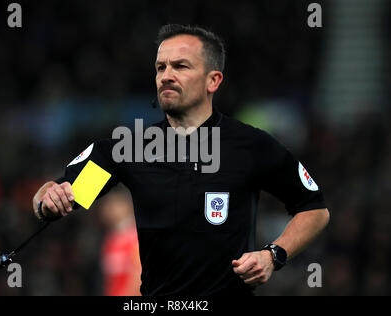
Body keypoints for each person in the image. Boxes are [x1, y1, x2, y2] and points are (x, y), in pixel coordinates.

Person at [32, 24, 330, 296]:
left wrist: (273, 255)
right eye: (160, 67)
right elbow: (57, 198)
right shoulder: (131, 148)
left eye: (180, 66)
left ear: (213, 80)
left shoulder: (249, 145)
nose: (166, 75)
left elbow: (314, 208)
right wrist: (49, 199)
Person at [96, 186, 141, 296]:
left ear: (128, 205)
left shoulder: (135, 238)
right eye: (106, 204)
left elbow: (139, 278)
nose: (108, 209)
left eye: (114, 204)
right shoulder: (110, 239)